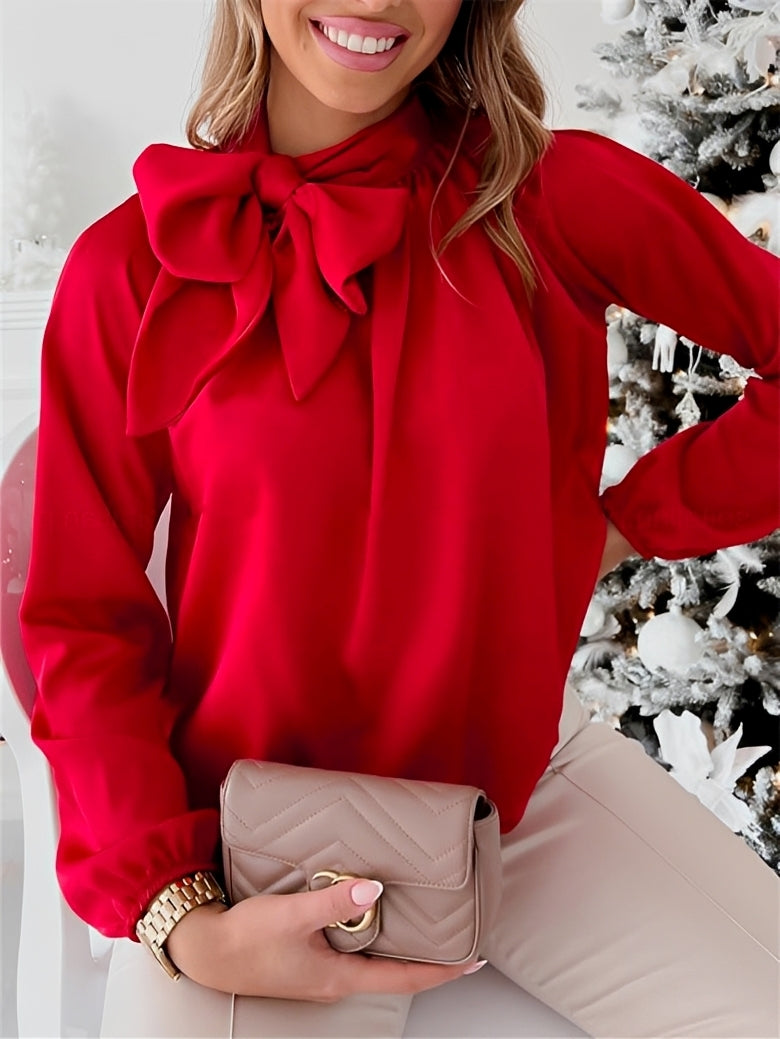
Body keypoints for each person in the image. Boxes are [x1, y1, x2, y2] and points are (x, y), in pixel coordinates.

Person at [17, 0, 780, 1035]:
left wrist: (623, 524)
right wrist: (181, 915)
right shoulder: (134, 263)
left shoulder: (551, 199)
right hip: (255, 843)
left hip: (518, 785)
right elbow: (83, 616)